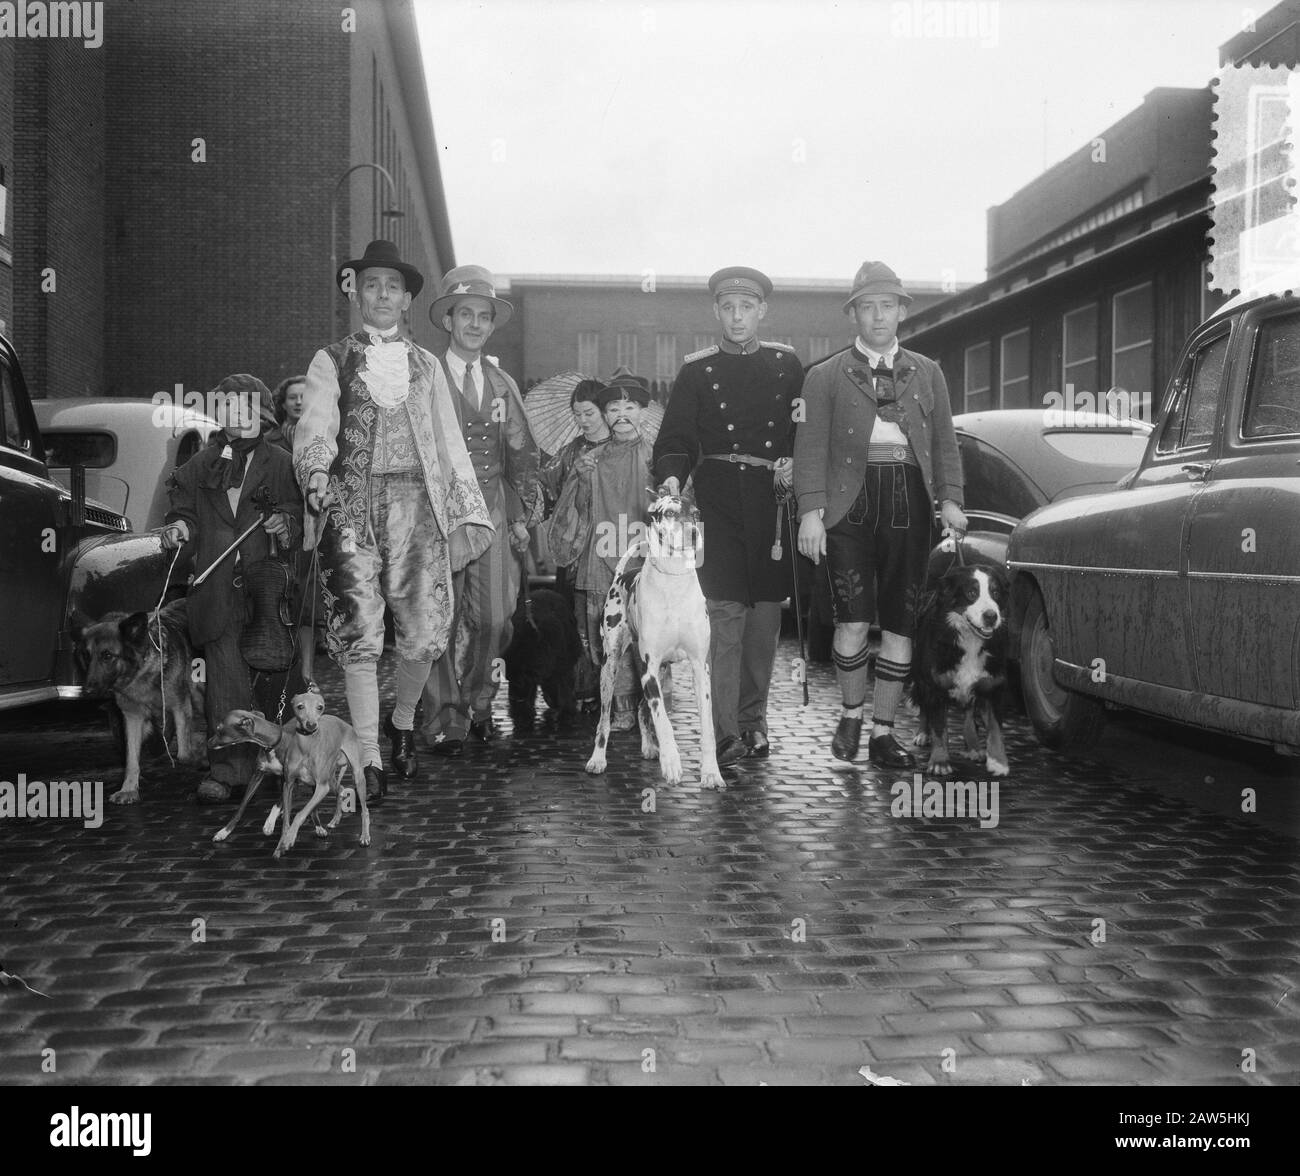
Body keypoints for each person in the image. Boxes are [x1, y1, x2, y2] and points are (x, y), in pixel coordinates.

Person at [294, 239, 495, 801]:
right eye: (371, 284)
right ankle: (370, 754)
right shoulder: (330, 359)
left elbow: (450, 443)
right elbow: (315, 425)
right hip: (352, 507)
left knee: (423, 632)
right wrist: (315, 474)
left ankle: (403, 721)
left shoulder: (427, 366)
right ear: (355, 292)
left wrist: (459, 514)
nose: (381, 295)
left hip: (417, 507)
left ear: (408, 299)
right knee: (360, 633)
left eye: (392, 287)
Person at [794, 260, 967, 768]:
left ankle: (884, 732)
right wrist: (810, 512)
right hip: (849, 501)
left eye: (887, 306)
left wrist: (950, 500)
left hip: (909, 499)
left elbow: (944, 443)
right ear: (855, 315)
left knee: (900, 623)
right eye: (867, 308)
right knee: (852, 618)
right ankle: (850, 716)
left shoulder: (927, 371)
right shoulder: (823, 376)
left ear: (901, 311)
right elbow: (808, 449)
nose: (878, 317)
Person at [653, 267, 802, 765]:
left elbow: (804, 432)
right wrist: (672, 476)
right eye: (728, 308)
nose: (737, 316)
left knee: (764, 620)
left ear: (762, 311)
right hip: (717, 503)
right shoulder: (697, 371)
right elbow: (674, 438)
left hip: (772, 505)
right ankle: (725, 733)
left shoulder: (787, 365)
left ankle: (753, 721)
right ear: (716, 312)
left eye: (747, 307)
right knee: (726, 616)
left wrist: (797, 464)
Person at [160, 374, 302, 803]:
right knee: (224, 683)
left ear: (262, 415)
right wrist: (179, 528)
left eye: (247, 410)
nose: (238, 419)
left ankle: (285, 759)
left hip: (267, 590)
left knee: (275, 680)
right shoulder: (203, 464)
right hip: (217, 588)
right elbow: (183, 511)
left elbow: (297, 514)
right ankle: (228, 771)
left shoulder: (280, 462)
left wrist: (285, 523)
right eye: (229, 410)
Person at [420, 265, 542, 756]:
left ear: (492, 325)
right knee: (438, 620)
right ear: (448, 319)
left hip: (490, 514)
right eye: (464, 313)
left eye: (483, 316)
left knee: (495, 618)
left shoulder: (501, 384)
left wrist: (519, 518)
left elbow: (521, 458)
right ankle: (444, 716)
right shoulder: (424, 379)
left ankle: (479, 701)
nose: (474, 324)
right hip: (437, 516)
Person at [562, 372, 662, 729]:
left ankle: (650, 709)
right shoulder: (592, 458)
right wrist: (579, 478)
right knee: (608, 635)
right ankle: (619, 707)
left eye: (629, 407)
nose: (621, 414)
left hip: (646, 556)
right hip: (601, 556)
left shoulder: (657, 455)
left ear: (642, 412)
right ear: (605, 415)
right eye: (614, 408)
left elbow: (678, 503)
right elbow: (575, 511)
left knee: (649, 631)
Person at [539, 377, 610, 709]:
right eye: (578, 414)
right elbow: (545, 490)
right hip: (576, 552)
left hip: (611, 549)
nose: (583, 420)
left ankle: (613, 689)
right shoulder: (570, 452)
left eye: (590, 413)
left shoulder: (622, 448)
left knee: (608, 621)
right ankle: (580, 690)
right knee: (577, 620)